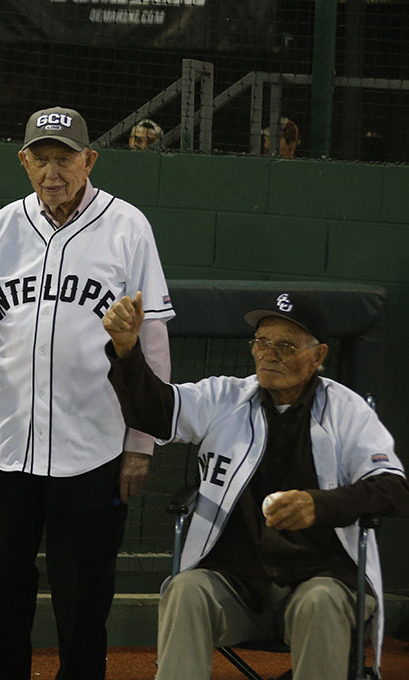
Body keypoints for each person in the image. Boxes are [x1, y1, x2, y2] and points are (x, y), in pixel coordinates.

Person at [0, 106, 175, 679]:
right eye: (41, 158)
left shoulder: (128, 227)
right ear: (23, 161)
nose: (52, 172)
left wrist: (141, 443)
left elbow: (152, 343)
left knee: (84, 604)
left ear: (89, 160)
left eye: (64, 158)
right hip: (5, 448)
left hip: (96, 448)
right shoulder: (1, 229)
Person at [102, 290, 409, 679]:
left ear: (318, 357)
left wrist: (322, 505)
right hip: (236, 586)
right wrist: (128, 351)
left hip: (322, 581)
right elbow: (156, 411)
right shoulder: (226, 398)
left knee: (321, 601)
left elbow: (392, 489)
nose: (269, 354)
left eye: (286, 345)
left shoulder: (347, 411)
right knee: (187, 590)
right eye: (262, 343)